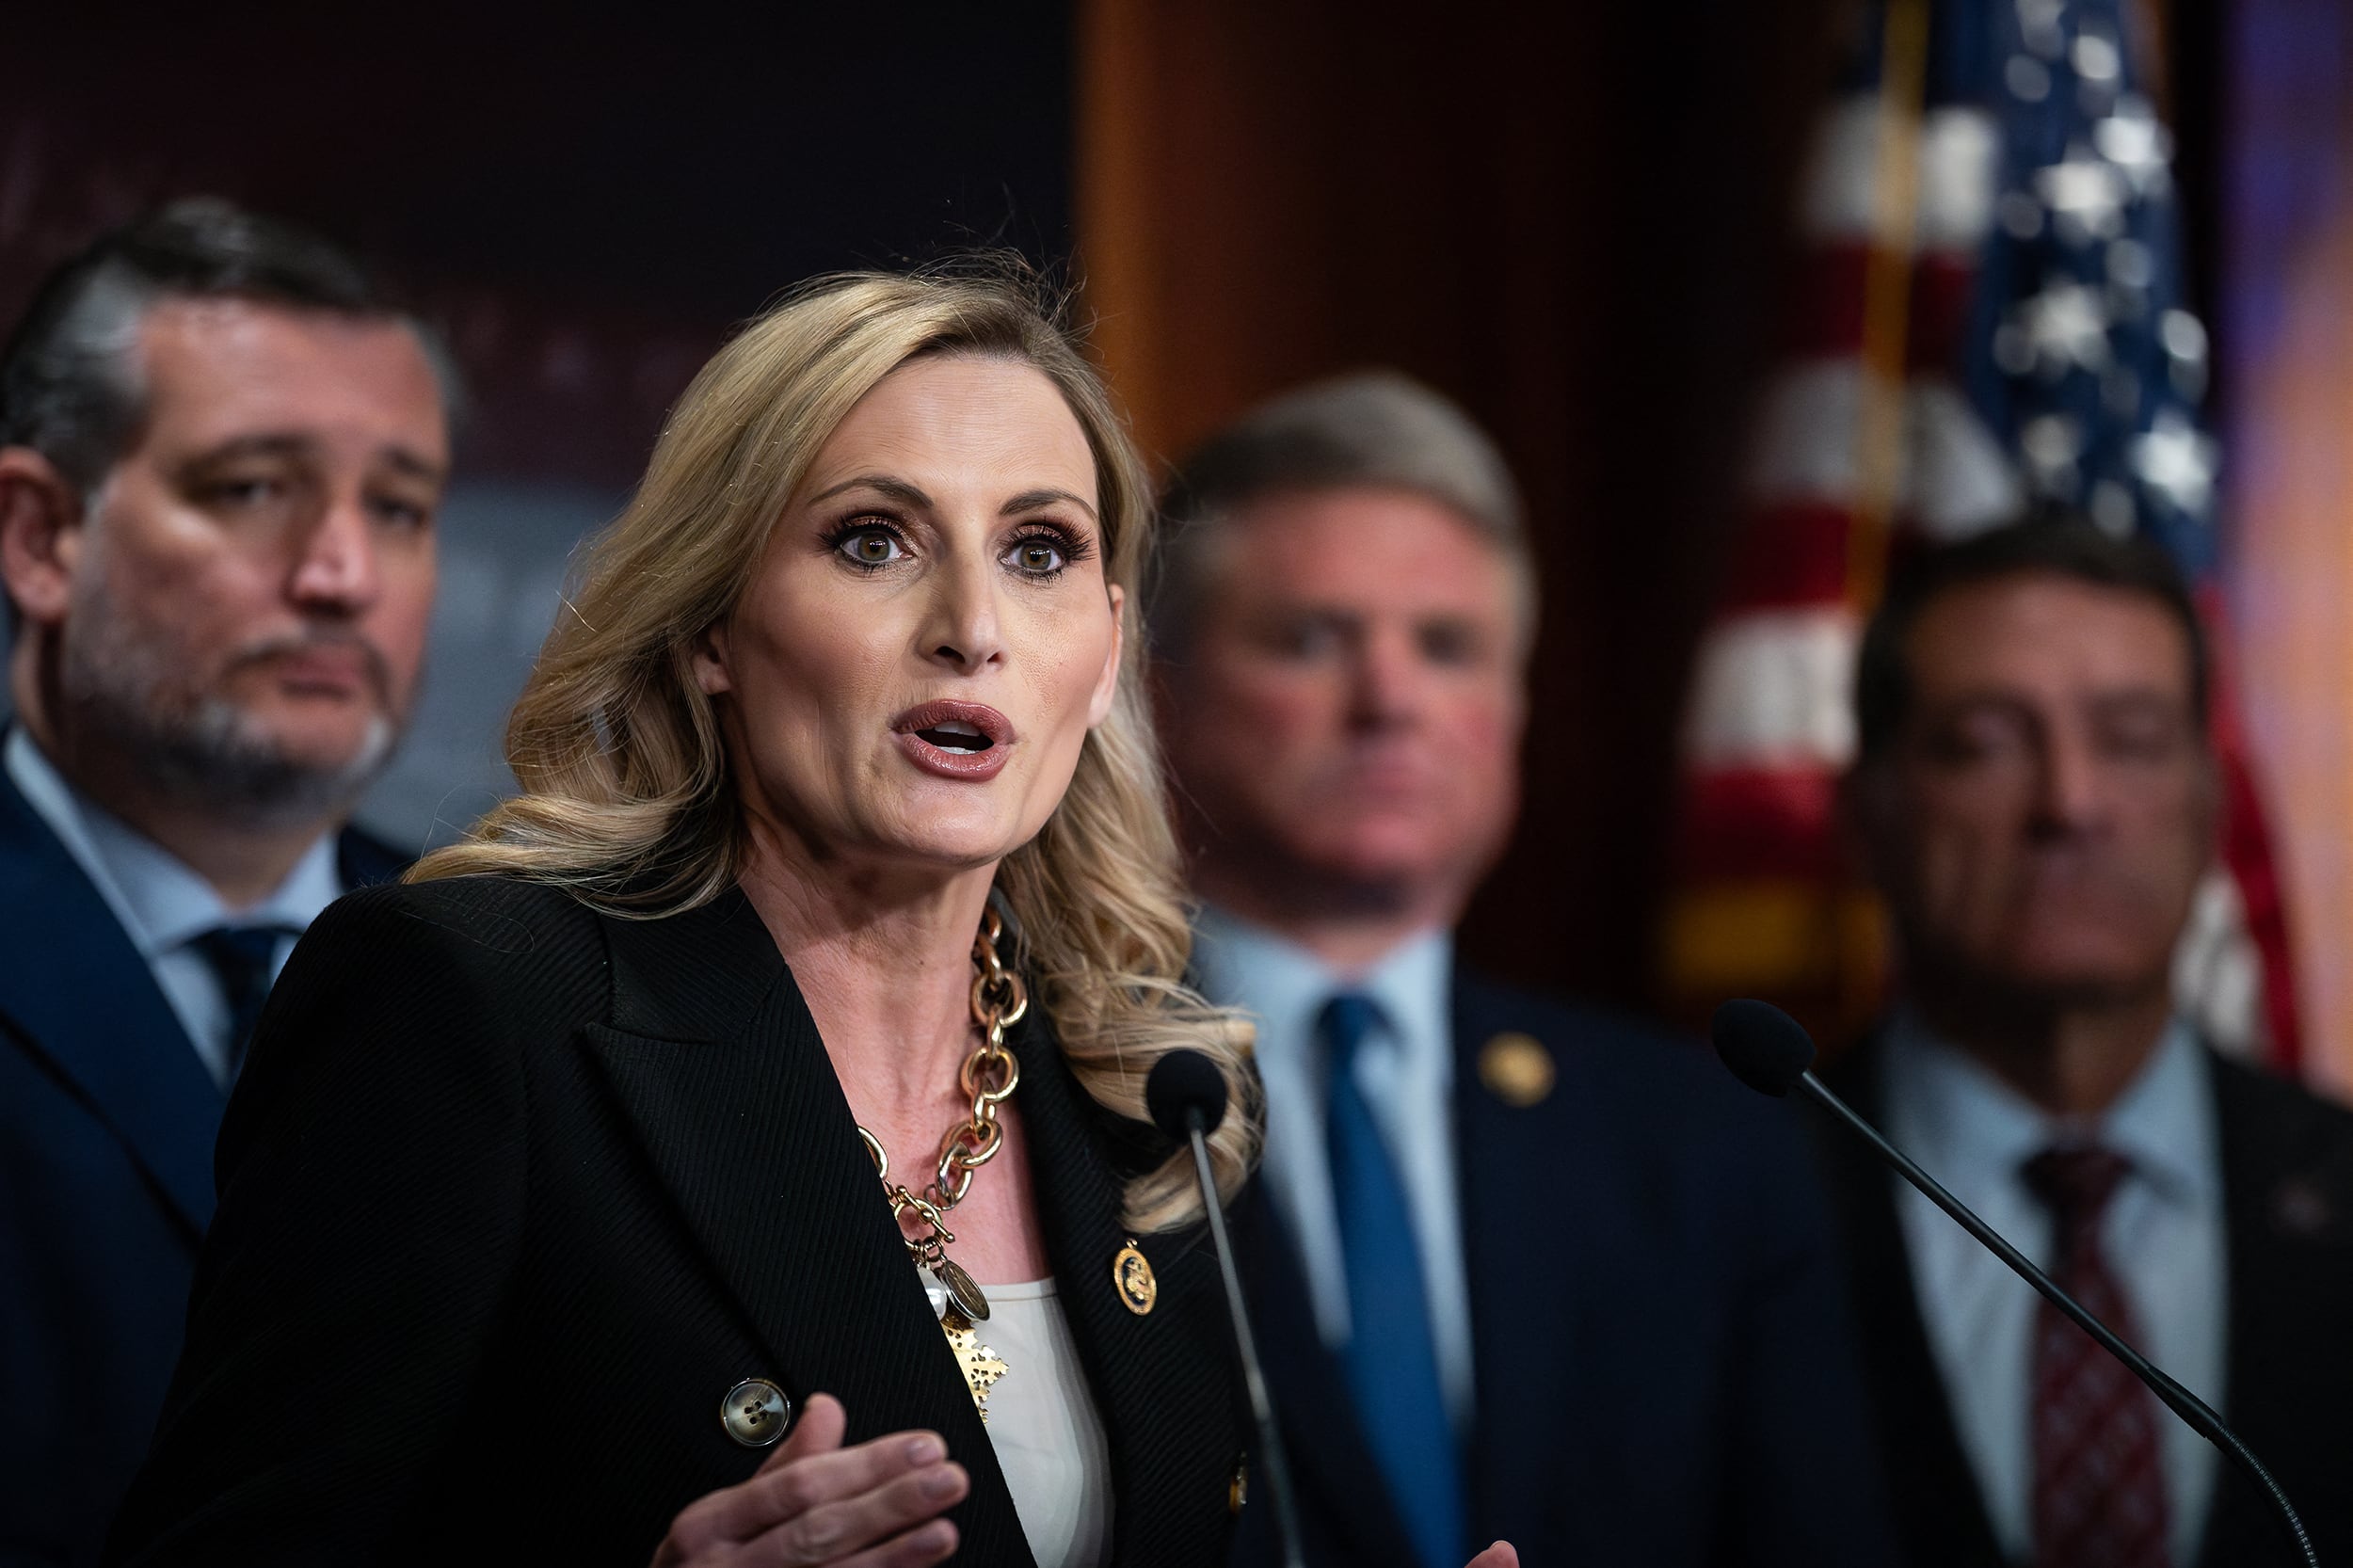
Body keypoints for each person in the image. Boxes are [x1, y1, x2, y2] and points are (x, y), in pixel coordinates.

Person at [100, 265, 1300, 1568]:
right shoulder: (471, 1004)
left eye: (1039, 551)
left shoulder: (1147, 1092)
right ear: (711, 624)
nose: (973, 627)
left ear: (1107, 648)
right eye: (873, 541)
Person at [1151, 373, 1896, 1568]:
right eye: (1309, 638)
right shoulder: (1045, 1100)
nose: (1390, 699)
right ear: (1158, 692)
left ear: (1513, 705)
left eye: (1447, 646)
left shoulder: (1701, 1139)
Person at [0, 199, 447, 1566]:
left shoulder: (522, 970)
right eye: (253, 487)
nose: (341, 575)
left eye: (399, 508)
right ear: (41, 535)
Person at [1824, 517, 2353, 1568]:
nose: (2069, 802)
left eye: (2132, 739)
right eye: (1985, 742)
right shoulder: (1715, 1201)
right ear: (1868, 814)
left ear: (2212, 805)